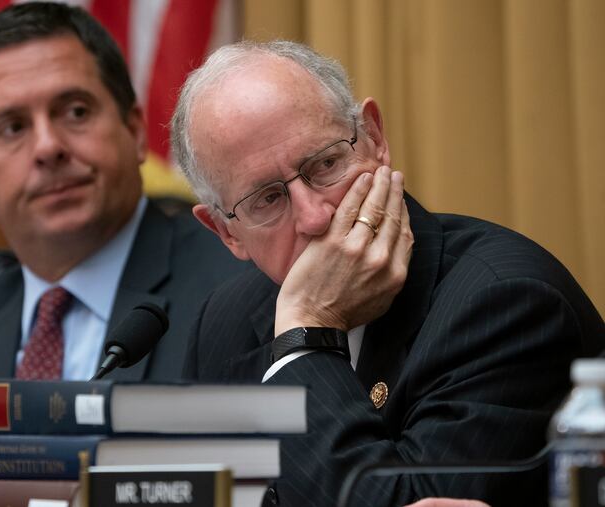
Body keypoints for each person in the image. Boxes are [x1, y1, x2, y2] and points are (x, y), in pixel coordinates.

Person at [171, 40, 605, 506]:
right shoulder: (225, 322)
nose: (315, 216)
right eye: (268, 199)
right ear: (226, 232)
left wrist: (307, 335)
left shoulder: (507, 303)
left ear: (375, 139)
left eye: (326, 164)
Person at [0, 3, 247, 504]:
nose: (48, 146)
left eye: (75, 112)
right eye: (12, 127)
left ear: (136, 131)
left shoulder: (242, 294)